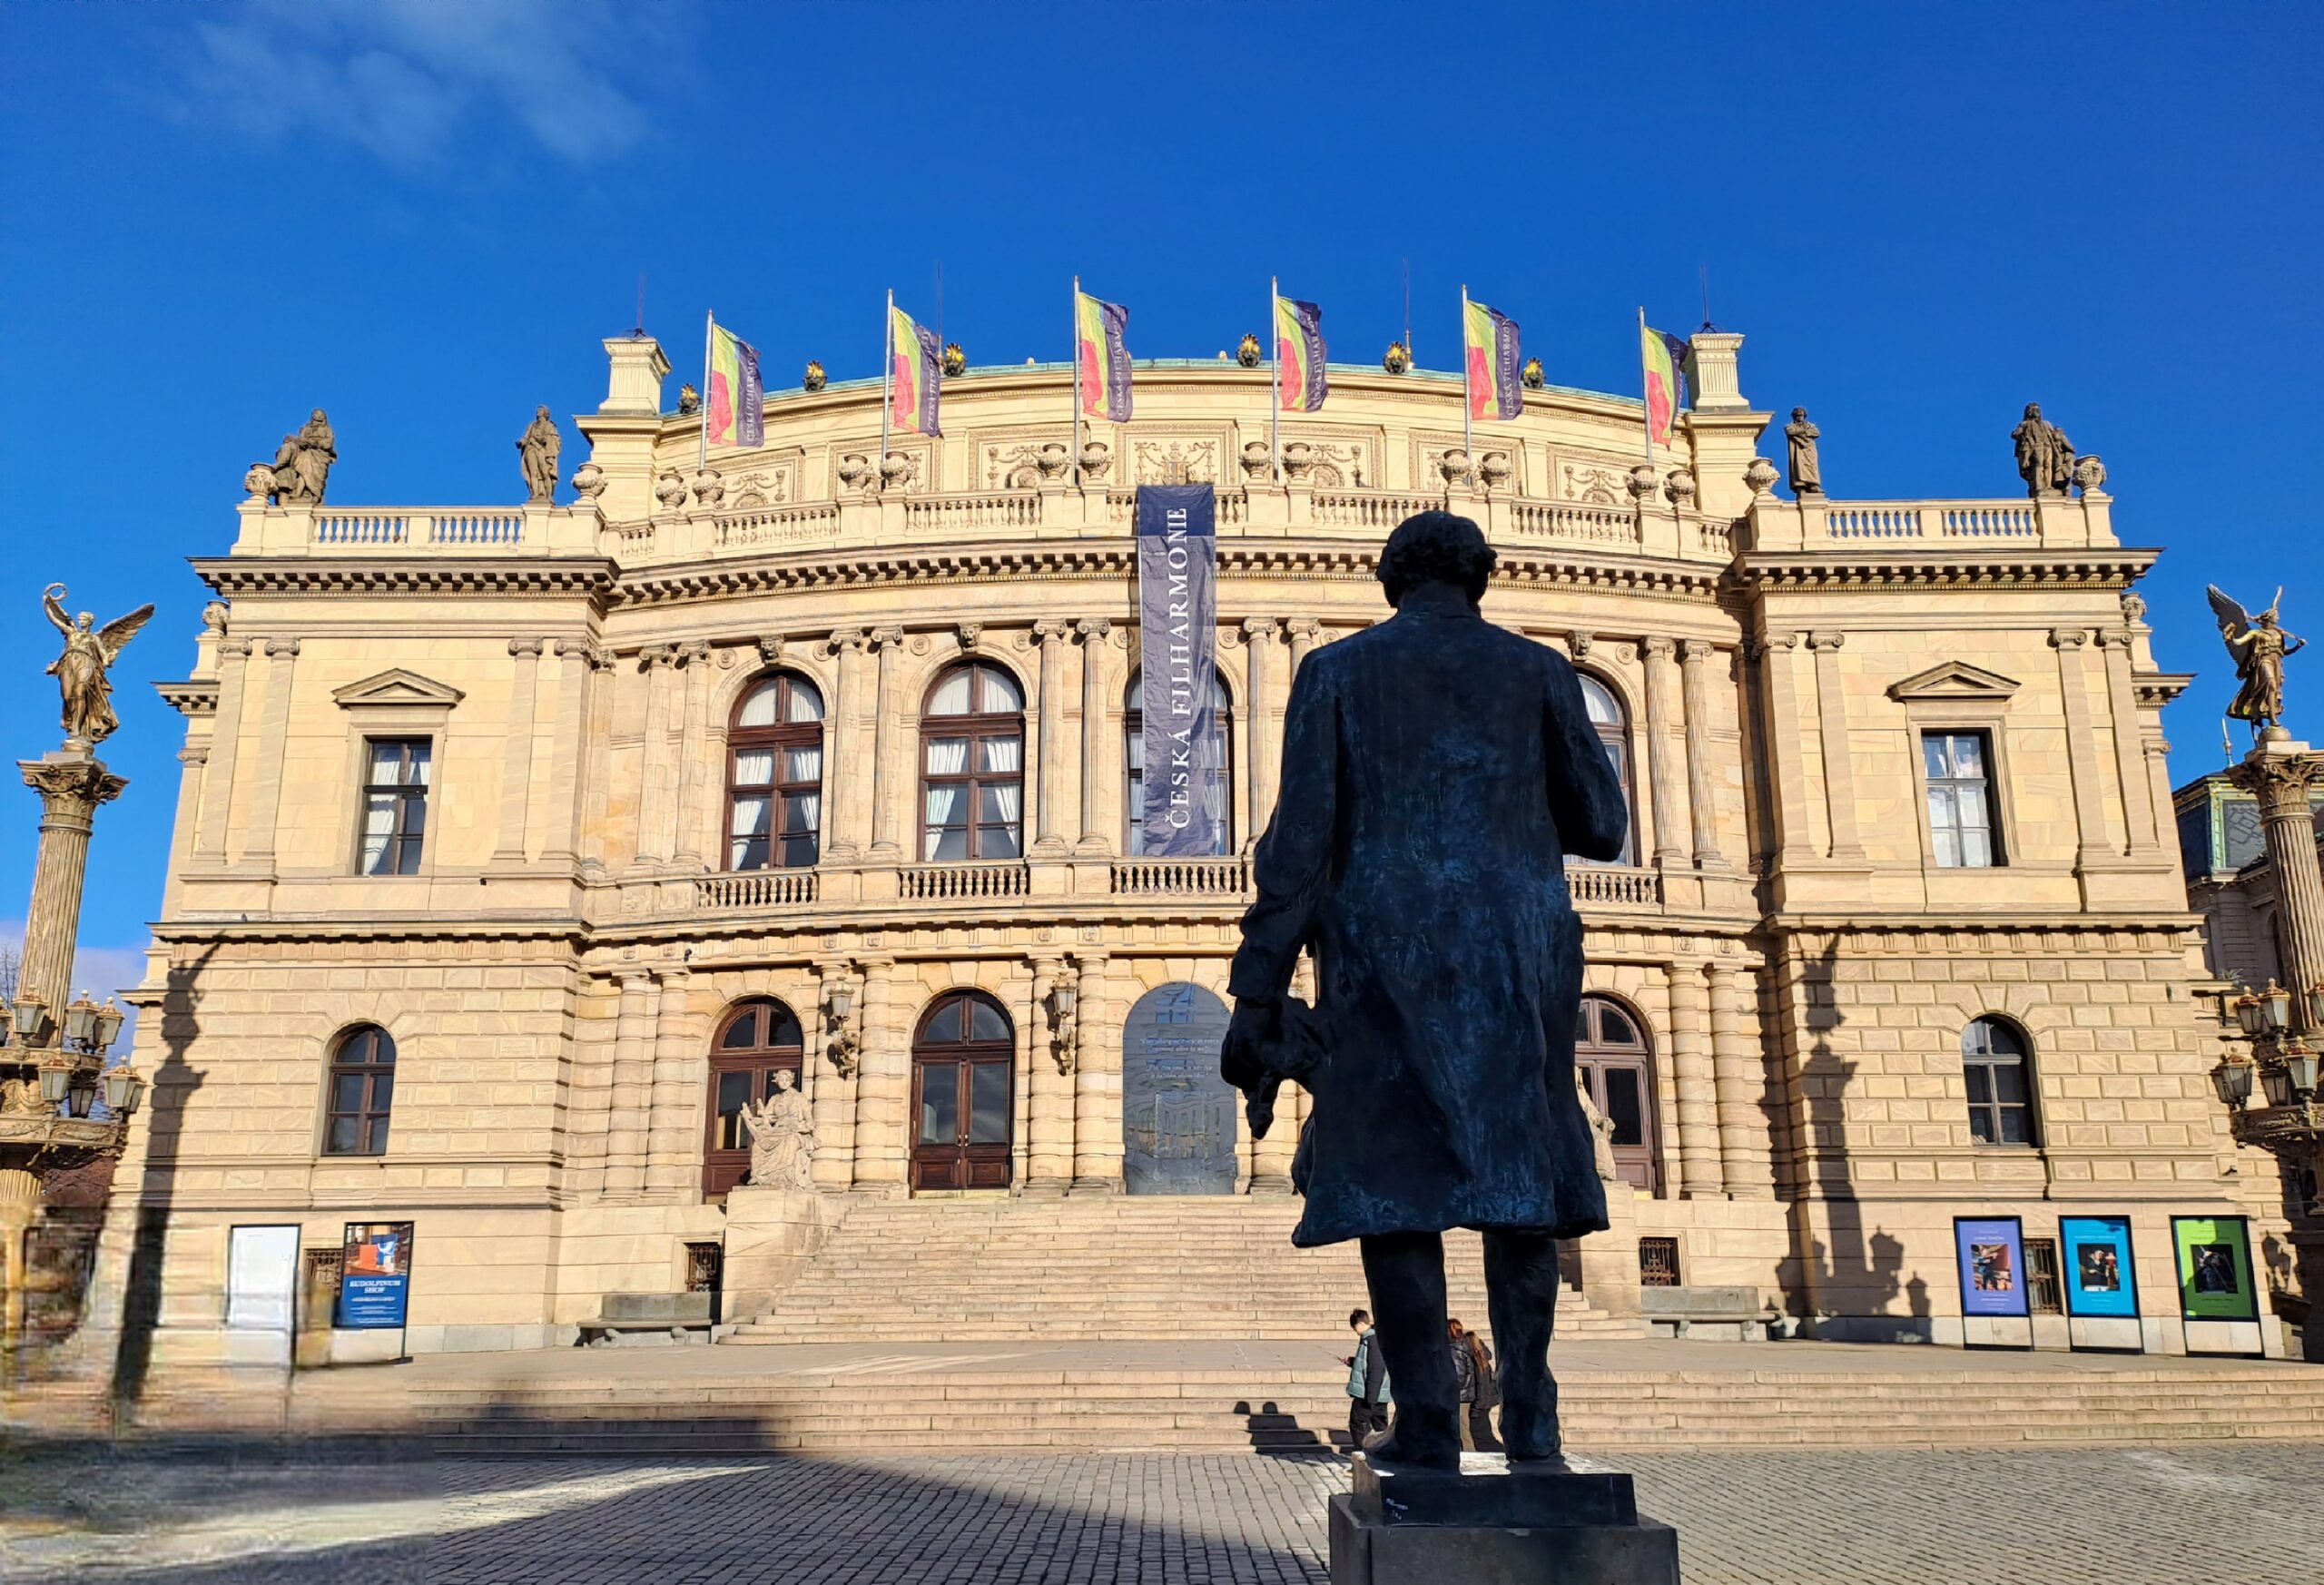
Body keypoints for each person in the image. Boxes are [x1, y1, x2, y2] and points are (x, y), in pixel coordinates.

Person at [1224, 510, 1629, 1472]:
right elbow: (1603, 823)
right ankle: (1531, 1421)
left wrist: (1256, 990)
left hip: (1379, 954)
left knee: (1394, 1186)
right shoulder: (1539, 672)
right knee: (1519, 1179)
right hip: (1517, 949)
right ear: (1481, 579)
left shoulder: (1336, 673)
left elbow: (1296, 849)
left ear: (1390, 579)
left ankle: (1430, 1427)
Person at [1341, 1307, 1390, 1453]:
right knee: (1380, 1427)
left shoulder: (1371, 1340)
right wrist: (1352, 1362)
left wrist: (1371, 1398)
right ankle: (1383, 1454)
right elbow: (1368, 1363)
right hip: (1379, 1393)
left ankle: (1362, 1455)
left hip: (1369, 1394)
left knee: (1357, 1424)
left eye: (1355, 1327)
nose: (1355, 1331)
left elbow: (1376, 1369)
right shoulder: (1374, 1338)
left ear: (1361, 1324)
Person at [1450, 1318, 1502, 1453]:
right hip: (1480, 1399)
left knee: (1467, 1433)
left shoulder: (1460, 1351)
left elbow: (1460, 1377)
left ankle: (1471, 1455)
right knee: (1476, 1434)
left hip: (1467, 1398)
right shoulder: (1477, 1352)